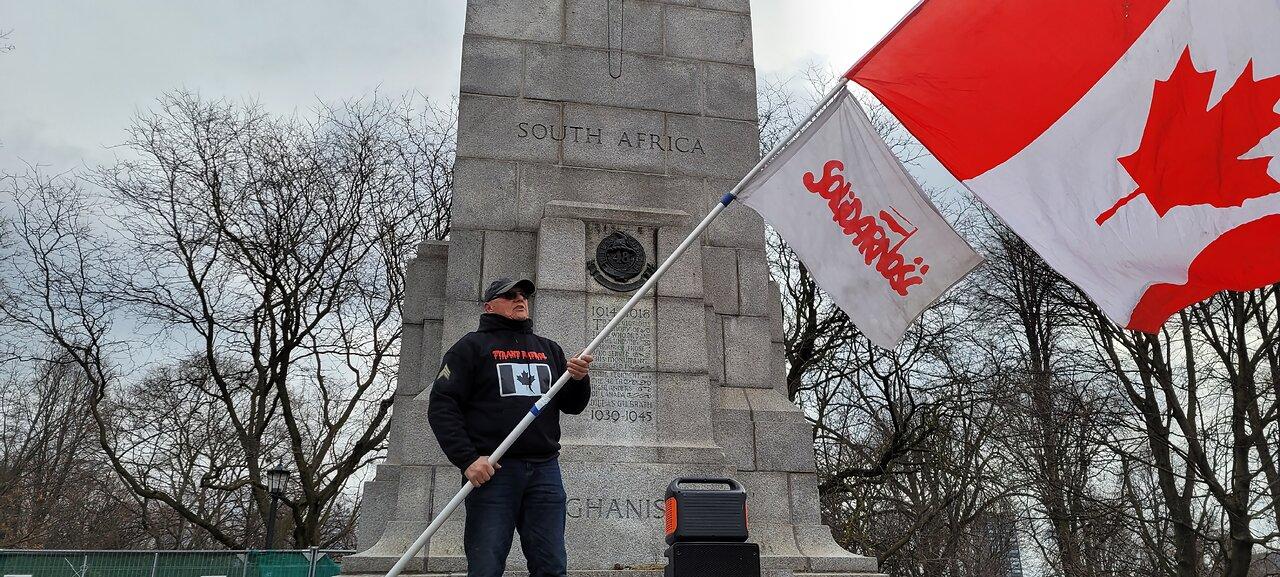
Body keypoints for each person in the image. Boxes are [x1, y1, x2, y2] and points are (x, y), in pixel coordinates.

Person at [428, 277, 593, 577]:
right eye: (511, 295)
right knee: (486, 567)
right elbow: (442, 407)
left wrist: (579, 379)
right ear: (490, 305)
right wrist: (467, 459)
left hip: (545, 472)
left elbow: (573, 406)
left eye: (524, 295)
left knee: (552, 566)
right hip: (494, 472)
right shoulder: (469, 348)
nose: (520, 299)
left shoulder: (549, 349)